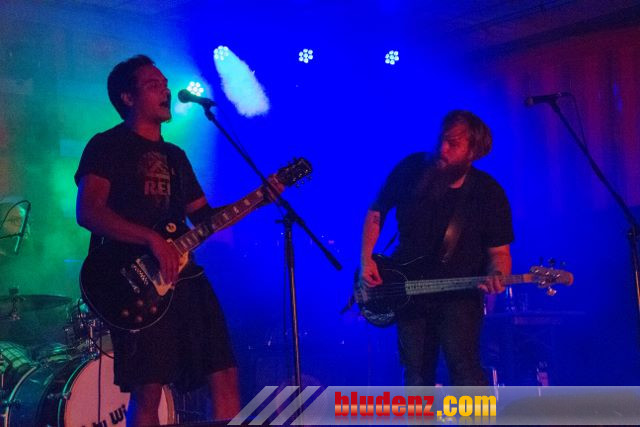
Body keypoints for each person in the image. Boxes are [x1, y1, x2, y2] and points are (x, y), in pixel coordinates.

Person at [75, 54, 282, 426]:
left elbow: (203, 219)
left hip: (184, 276)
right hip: (133, 281)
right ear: (127, 97)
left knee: (223, 370)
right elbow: (89, 212)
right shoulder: (107, 146)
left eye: (166, 84)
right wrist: (152, 240)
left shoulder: (175, 157)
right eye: (154, 85)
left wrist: (259, 198)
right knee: (148, 389)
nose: (166, 91)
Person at [359, 110, 514, 386]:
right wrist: (366, 259)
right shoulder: (411, 168)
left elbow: (500, 253)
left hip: (460, 295)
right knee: (416, 375)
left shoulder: (488, 193)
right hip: (408, 289)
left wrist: (498, 274)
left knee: (464, 369)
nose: (442, 149)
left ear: (473, 151)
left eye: (453, 144)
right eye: (441, 139)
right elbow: (376, 210)